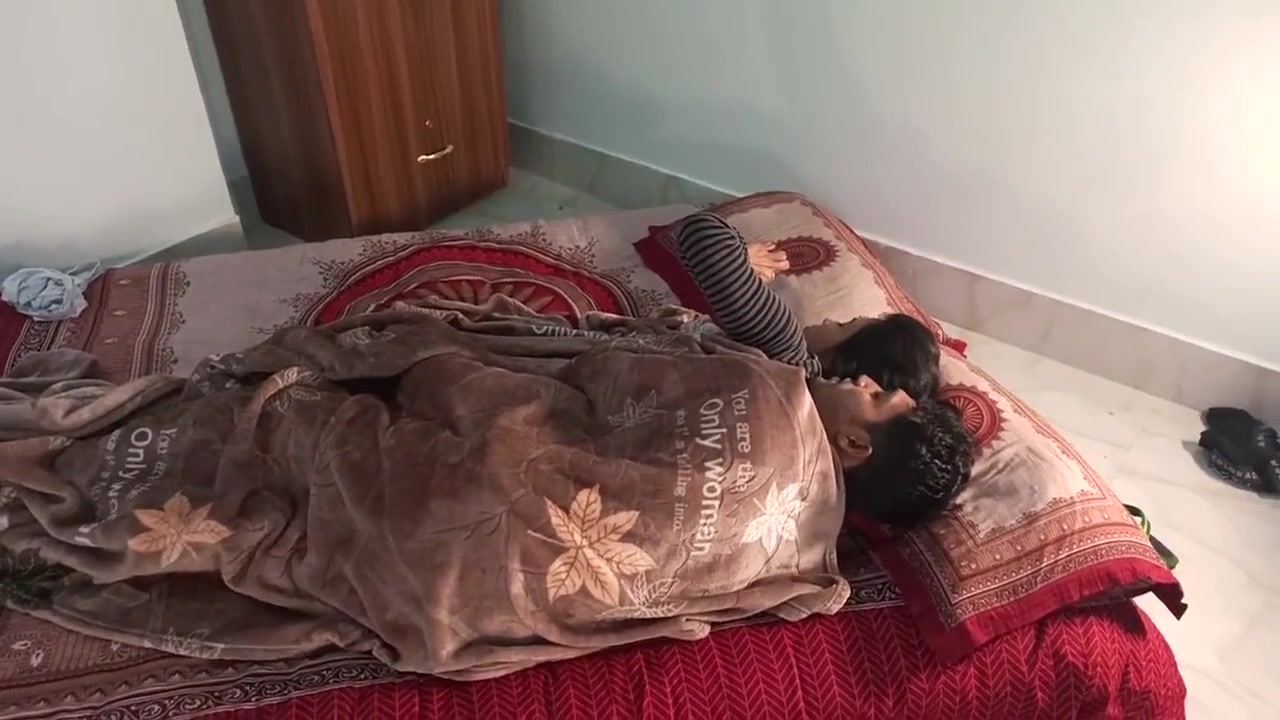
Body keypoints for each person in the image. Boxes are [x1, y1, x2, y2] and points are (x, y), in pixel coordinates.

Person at [674, 211, 973, 529]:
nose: (864, 381)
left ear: (854, 443)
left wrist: (745, 257)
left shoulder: (790, 363)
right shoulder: (809, 525)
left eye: (876, 396)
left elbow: (702, 234)